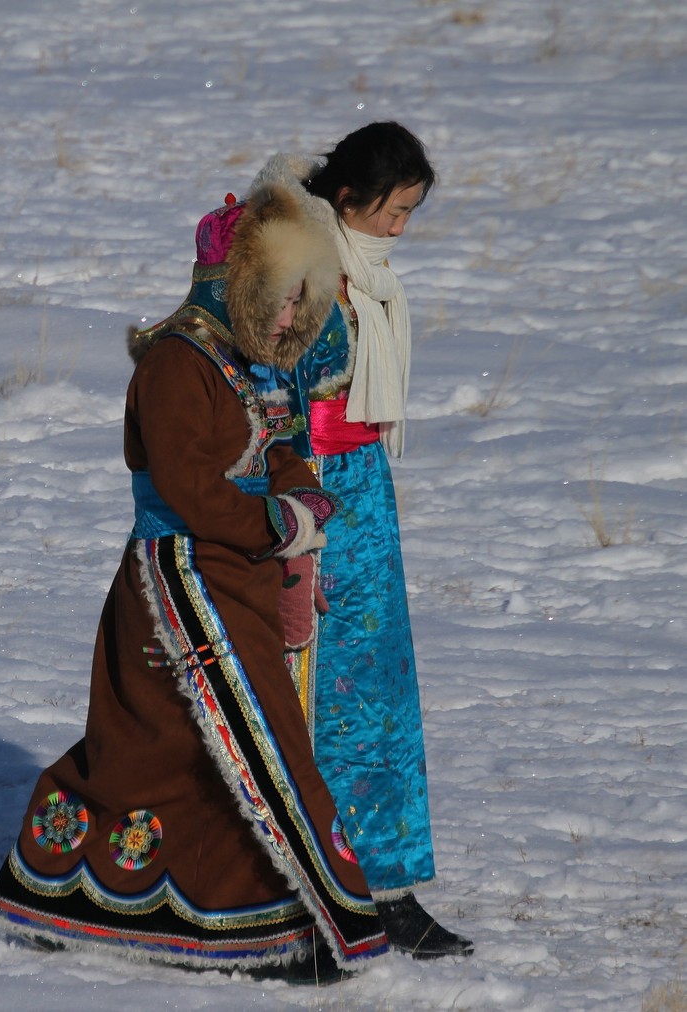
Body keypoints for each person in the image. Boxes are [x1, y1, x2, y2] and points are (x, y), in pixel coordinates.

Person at [0, 183, 392, 982]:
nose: (286, 320)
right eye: (280, 300)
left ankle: (236, 914)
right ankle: (301, 919)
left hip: (228, 578)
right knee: (250, 742)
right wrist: (279, 523)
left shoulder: (240, 368)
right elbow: (190, 486)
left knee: (180, 757)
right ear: (240, 287)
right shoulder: (175, 365)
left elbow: (276, 444)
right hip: (176, 587)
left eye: (297, 306)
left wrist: (301, 493)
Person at [246, 122, 474, 959]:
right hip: (306, 502)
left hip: (365, 499)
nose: (402, 229)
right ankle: (297, 891)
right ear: (348, 200)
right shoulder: (293, 268)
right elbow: (265, 393)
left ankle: (387, 887)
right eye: (395, 211)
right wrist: (290, 505)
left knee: (376, 695)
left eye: (412, 212)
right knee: (306, 694)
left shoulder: (365, 272)